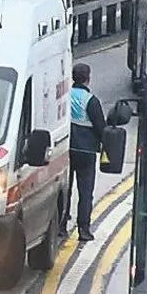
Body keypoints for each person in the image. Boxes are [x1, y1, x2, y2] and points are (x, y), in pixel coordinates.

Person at [61, 63, 107, 241]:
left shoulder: (65, 95)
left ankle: (62, 226)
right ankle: (84, 229)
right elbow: (101, 127)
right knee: (85, 192)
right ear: (88, 77)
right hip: (86, 151)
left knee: (65, 189)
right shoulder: (91, 100)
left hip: (66, 149)